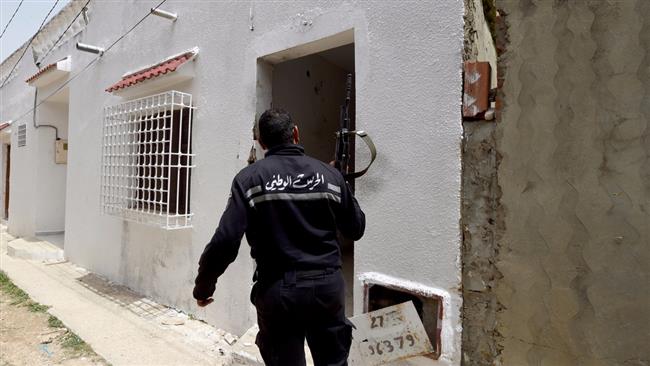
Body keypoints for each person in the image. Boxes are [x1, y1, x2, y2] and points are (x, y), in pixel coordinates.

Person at [193, 108, 366, 366]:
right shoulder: (330, 176)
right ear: (295, 133)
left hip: (278, 294)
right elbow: (356, 229)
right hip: (327, 290)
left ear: (261, 142)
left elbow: (225, 240)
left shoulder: (249, 179)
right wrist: (342, 184)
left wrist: (204, 286)